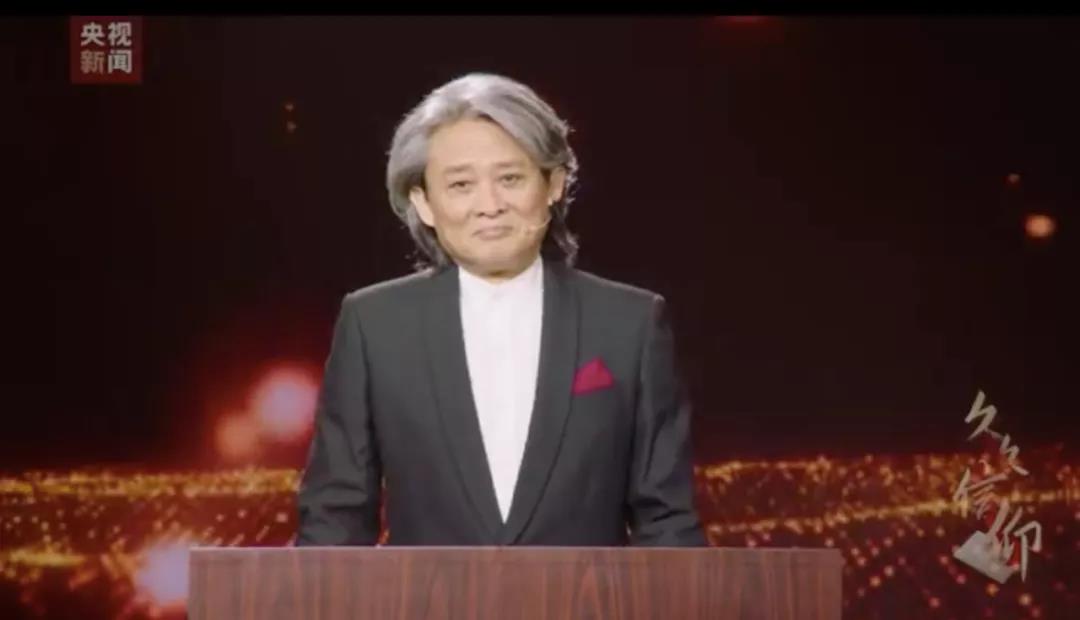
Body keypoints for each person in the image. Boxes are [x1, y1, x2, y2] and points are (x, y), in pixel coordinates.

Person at [295, 73, 706, 547]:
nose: (489, 205)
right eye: (461, 184)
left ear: (553, 184)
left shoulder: (630, 324)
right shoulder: (374, 325)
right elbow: (335, 520)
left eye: (510, 179)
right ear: (423, 203)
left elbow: (668, 523)